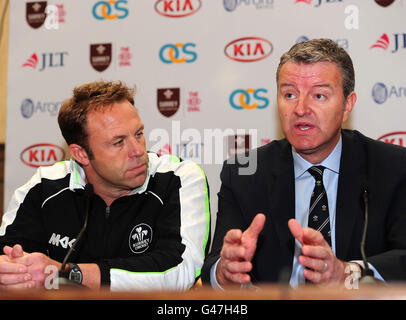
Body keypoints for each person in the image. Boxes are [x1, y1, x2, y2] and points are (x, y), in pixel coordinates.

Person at [202, 38, 406, 289]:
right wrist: (225, 272)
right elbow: (214, 268)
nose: (300, 108)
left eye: (319, 95)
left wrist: (348, 273)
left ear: (347, 105)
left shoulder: (393, 167)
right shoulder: (245, 172)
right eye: (289, 94)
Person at [0, 80, 210, 291]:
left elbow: (178, 273)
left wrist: (67, 273)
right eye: (118, 142)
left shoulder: (178, 177)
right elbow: (7, 257)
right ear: (80, 153)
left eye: (138, 134)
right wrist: (14, 271)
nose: (138, 151)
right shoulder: (44, 185)